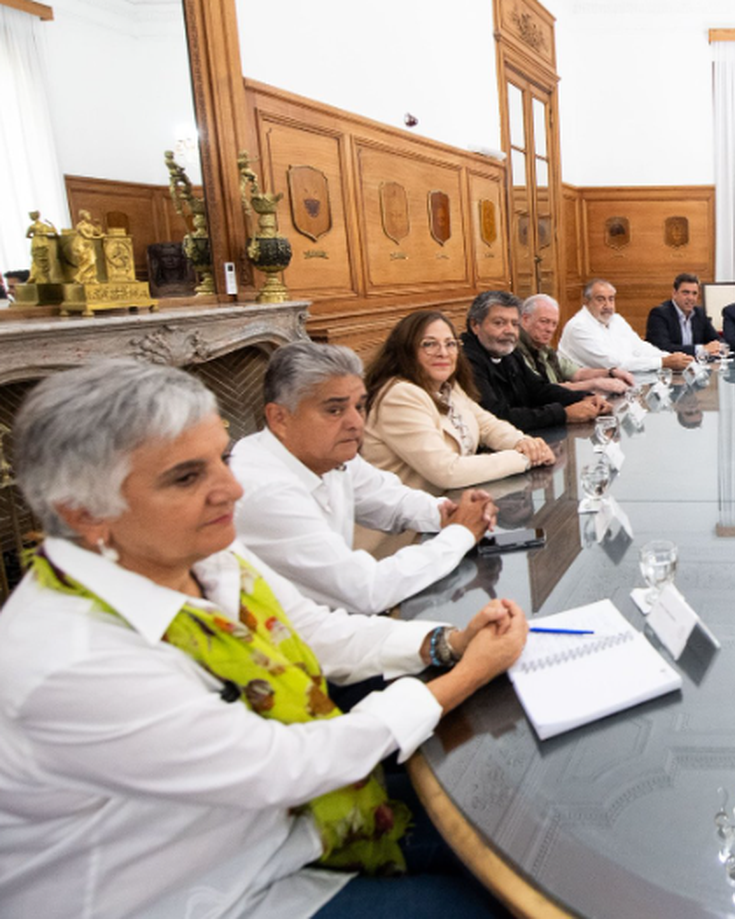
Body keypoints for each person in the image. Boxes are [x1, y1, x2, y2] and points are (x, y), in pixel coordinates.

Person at [0, 360, 529, 917]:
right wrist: (467, 676)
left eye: (221, 460)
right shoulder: (70, 660)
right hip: (210, 890)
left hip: (291, 827)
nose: (231, 488)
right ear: (82, 512)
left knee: (512, 819)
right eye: (186, 477)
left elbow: (316, 631)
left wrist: (447, 642)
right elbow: (286, 766)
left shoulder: (200, 553)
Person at [231, 341, 500, 616]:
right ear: (280, 418)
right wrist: (460, 533)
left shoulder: (328, 454)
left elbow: (391, 499)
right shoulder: (267, 490)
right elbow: (365, 591)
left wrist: (447, 513)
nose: (356, 423)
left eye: (359, 407)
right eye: (334, 410)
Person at [362, 309, 554, 495]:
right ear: (405, 351)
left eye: (450, 344)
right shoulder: (399, 396)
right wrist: (523, 458)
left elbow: (488, 425)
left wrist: (524, 442)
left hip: (448, 508)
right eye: (429, 344)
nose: (443, 353)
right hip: (406, 525)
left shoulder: (447, 386)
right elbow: (447, 471)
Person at [461, 290, 608, 431]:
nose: (509, 330)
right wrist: (563, 414)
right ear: (475, 325)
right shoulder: (466, 360)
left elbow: (539, 389)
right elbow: (496, 416)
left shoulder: (508, 351)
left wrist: (585, 398)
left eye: (514, 324)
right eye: (499, 323)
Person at [558, 278, 693, 373]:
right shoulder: (579, 327)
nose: (608, 305)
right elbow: (614, 364)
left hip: (618, 383)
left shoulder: (616, 320)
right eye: (600, 299)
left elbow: (640, 348)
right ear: (586, 302)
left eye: (611, 299)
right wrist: (663, 362)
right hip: (587, 392)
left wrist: (673, 357)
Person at [516, 293, 634, 395]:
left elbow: (578, 373)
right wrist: (595, 384)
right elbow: (543, 390)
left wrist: (611, 373)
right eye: (544, 322)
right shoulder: (515, 352)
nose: (550, 329)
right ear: (525, 319)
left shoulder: (544, 350)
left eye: (554, 324)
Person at [645, 273, 724, 357]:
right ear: (674, 293)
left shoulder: (699, 313)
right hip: (668, 367)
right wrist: (701, 349)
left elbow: (716, 339)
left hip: (696, 366)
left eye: (694, 293)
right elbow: (662, 347)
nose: (690, 298)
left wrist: (718, 346)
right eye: (685, 293)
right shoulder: (660, 313)